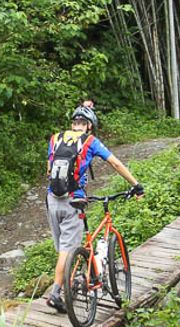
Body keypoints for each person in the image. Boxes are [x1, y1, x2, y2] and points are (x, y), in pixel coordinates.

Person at [44, 106, 144, 313]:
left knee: (62, 248)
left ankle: (70, 280)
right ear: (89, 125)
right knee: (67, 250)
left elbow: (49, 169)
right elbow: (115, 164)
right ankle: (55, 293)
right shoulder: (90, 142)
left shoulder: (55, 139)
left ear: (73, 123)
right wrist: (136, 185)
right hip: (74, 200)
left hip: (52, 199)